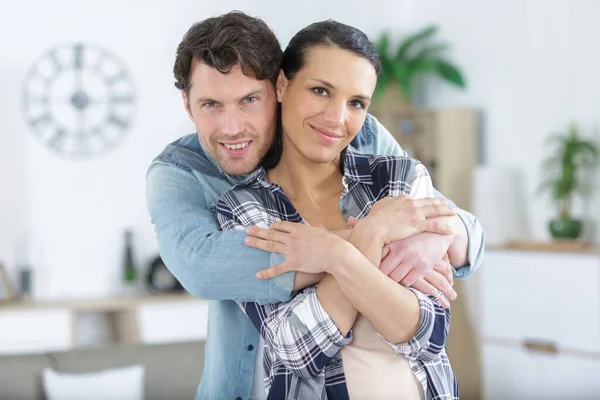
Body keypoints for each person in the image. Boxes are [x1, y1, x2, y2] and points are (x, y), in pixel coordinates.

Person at [145, 11, 484, 400]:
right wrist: (368, 236)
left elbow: (454, 232)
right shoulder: (192, 178)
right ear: (188, 106)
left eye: (249, 100)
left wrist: (435, 236)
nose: (232, 126)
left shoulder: (368, 146)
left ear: (276, 89)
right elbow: (204, 268)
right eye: (211, 105)